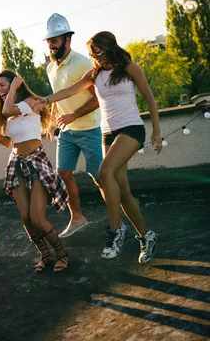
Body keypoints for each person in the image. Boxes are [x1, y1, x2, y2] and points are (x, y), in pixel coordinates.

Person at [38, 31, 160, 264]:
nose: (94, 55)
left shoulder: (129, 68)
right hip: (108, 133)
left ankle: (115, 232)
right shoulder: (95, 74)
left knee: (104, 173)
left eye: (97, 50)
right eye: (92, 52)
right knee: (122, 190)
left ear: (108, 47)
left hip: (131, 129)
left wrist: (156, 130)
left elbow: (150, 99)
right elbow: (69, 91)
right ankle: (147, 236)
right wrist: (46, 100)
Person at [0, 70, 70, 273]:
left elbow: (8, 110)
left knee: (37, 217)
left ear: (15, 83)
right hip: (16, 163)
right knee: (26, 218)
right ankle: (44, 255)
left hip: (35, 161)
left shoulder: (30, 102)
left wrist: (16, 87)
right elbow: (10, 142)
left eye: (3, 85)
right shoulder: (10, 112)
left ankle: (61, 254)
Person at [44, 13, 104, 238]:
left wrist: (74, 115)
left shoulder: (83, 63)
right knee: (63, 173)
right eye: (49, 41)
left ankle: (118, 217)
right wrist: (52, 121)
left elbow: (98, 98)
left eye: (55, 40)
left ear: (67, 39)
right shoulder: (51, 68)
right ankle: (77, 218)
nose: (51, 44)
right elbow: (56, 97)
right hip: (67, 133)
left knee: (100, 177)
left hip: (89, 129)